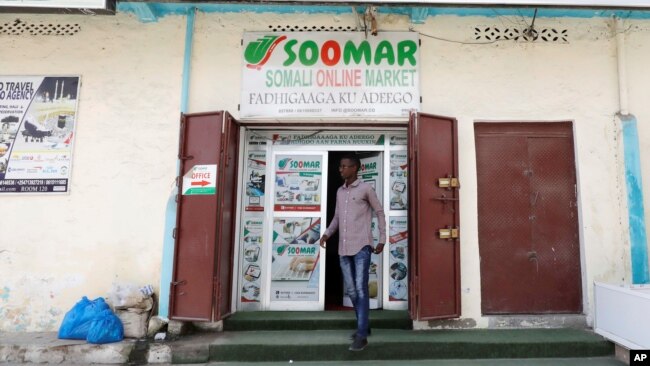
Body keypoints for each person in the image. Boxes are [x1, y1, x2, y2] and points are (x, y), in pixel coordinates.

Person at [319, 153, 386, 351]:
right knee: (351, 290)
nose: (341, 169)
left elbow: (379, 212)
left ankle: (362, 335)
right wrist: (327, 234)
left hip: (362, 246)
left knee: (360, 288)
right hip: (344, 247)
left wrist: (382, 239)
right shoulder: (340, 192)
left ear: (356, 168)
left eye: (345, 166)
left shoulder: (366, 188)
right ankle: (364, 326)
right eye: (340, 166)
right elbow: (337, 217)